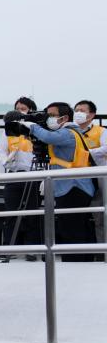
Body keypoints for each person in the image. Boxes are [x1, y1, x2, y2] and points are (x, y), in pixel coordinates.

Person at [21, 103, 97, 262]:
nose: (49, 119)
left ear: (64, 118)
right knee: (73, 226)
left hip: (74, 187)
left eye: (52, 115)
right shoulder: (69, 131)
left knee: (71, 229)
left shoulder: (68, 133)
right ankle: (83, 261)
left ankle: (75, 264)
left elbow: (49, 138)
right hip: (71, 186)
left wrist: (32, 127)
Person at [0, 97, 41, 261]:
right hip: (14, 174)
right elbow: (1, 151)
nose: (20, 111)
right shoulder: (6, 132)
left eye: (23, 108)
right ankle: (8, 247)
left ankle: (32, 249)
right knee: (11, 212)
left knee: (32, 213)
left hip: (32, 175)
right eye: (17, 108)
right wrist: (6, 161)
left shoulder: (34, 130)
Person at [74, 100, 106, 248]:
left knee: (101, 215)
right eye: (76, 110)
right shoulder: (71, 132)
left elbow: (105, 149)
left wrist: (84, 154)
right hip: (77, 176)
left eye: (82, 110)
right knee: (82, 215)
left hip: (100, 176)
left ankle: (103, 250)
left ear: (92, 114)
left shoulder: (102, 131)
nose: (78, 113)